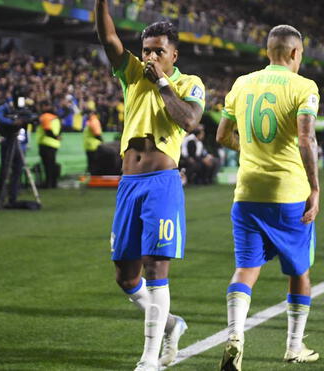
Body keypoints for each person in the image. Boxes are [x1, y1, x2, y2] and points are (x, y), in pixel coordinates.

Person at [95, 1, 205, 369]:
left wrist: (161, 81)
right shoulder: (130, 74)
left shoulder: (189, 84)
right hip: (129, 184)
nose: (151, 56)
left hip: (162, 183)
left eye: (159, 51)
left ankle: (148, 359)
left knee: (157, 270)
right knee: (126, 277)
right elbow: (108, 36)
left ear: (174, 54)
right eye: (147, 50)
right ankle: (172, 325)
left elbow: (188, 120)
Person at [216, 25, 321, 370]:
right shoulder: (304, 86)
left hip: (246, 192)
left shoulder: (242, 83)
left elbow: (222, 135)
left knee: (246, 269)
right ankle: (294, 346)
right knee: (299, 270)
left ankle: (234, 337)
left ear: (268, 51)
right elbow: (305, 139)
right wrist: (315, 188)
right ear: (294, 53)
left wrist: (248, 150)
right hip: (288, 193)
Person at [0, 87, 30, 208]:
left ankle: (13, 198)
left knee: (17, 171)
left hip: (19, 143)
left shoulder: (23, 108)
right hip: (7, 141)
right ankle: (0, 199)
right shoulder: (6, 107)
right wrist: (12, 122)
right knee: (5, 170)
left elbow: (29, 117)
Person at [36, 100, 62, 188]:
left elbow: (47, 130)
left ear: (45, 106)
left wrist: (55, 137)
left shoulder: (45, 116)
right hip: (54, 144)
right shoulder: (56, 118)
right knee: (52, 164)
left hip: (46, 143)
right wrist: (57, 137)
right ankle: (53, 183)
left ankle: (48, 183)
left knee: (47, 166)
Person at [83, 101, 104, 174]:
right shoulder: (91, 121)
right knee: (92, 165)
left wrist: (102, 143)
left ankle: (94, 179)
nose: (86, 115)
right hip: (91, 146)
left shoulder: (93, 121)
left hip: (94, 147)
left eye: (88, 113)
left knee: (94, 165)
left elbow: (97, 134)